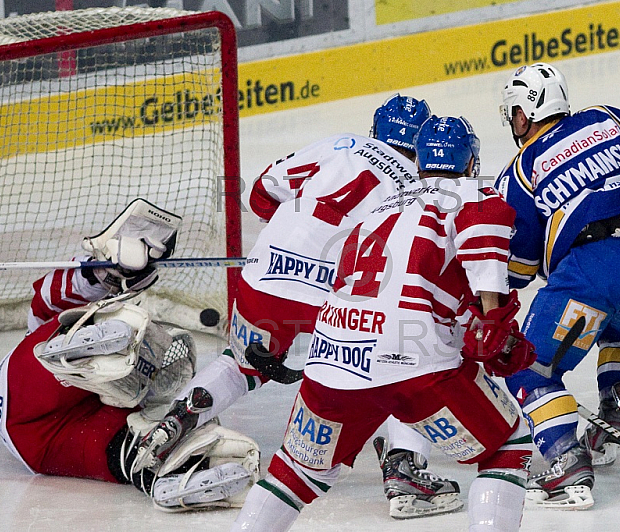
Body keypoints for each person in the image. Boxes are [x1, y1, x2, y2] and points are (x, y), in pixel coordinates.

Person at [134, 95, 464, 518]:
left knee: (242, 363)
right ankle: (405, 471)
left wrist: (297, 237)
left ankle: (176, 420)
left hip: (265, 273)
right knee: (397, 363)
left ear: (375, 130)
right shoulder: (417, 187)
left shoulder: (339, 144)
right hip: (335, 292)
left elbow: (260, 194)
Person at [230, 115, 537, 532]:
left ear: (420, 161)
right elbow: (484, 240)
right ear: (470, 163)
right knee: (507, 448)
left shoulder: (381, 206)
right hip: (414, 363)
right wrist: (494, 321)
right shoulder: (472, 194)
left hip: (331, 359)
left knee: (295, 474)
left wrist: (470, 322)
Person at [0, 198, 260, 512]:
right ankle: (85, 343)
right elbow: (45, 301)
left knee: (143, 441)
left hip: (43, 440)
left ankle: (175, 474)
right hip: (28, 398)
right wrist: (97, 272)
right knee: (110, 352)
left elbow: (45, 299)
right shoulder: (50, 326)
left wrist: (100, 272)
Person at [494, 62, 620, 509]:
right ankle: (613, 411)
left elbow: (518, 270)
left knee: (527, 367)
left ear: (522, 114)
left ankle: (566, 464)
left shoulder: (520, 171)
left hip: (593, 274)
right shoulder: (604, 119)